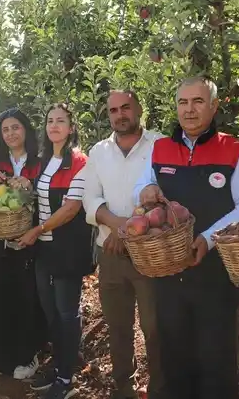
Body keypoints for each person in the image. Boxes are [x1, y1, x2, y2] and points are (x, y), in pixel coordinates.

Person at [133, 76, 239, 399]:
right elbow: (142, 186)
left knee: (216, 360)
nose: (189, 110)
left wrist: (206, 238)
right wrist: (144, 190)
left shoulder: (234, 150)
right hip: (169, 274)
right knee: (175, 358)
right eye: (183, 102)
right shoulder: (160, 149)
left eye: (198, 102)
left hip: (215, 275)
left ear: (214, 106)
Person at [82, 90, 166, 399]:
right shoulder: (99, 151)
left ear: (139, 108)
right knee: (118, 329)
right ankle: (124, 389)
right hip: (112, 253)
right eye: (114, 110)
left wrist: (130, 231)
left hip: (151, 253)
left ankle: (159, 388)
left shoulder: (160, 145)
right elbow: (90, 198)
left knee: (154, 327)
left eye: (126, 108)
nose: (120, 114)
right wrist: (119, 226)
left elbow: (163, 196)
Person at [19, 103, 93, 399]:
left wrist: (37, 230)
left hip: (67, 249)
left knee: (66, 312)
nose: (54, 126)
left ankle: (66, 377)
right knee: (50, 311)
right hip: (44, 250)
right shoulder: (43, 161)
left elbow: (72, 208)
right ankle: (59, 364)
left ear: (71, 128)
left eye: (61, 121)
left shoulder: (80, 162)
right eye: (50, 121)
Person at [0, 108, 44, 381]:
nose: (11, 133)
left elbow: (45, 193)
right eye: (5, 130)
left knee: (26, 298)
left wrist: (29, 186)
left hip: (29, 240)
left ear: (25, 129)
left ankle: (28, 355)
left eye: (15, 127)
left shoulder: (38, 160)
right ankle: (1, 356)